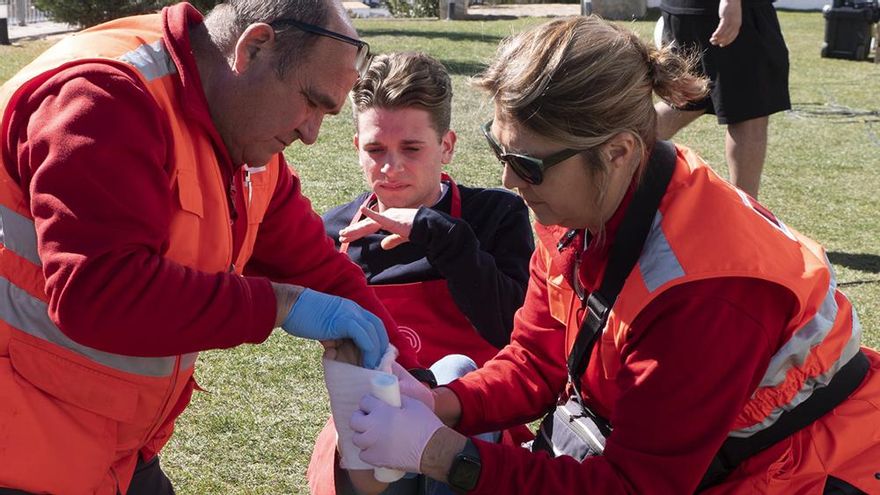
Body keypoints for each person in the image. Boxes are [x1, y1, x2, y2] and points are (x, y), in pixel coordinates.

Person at [345, 16, 880, 495]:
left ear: (618, 151)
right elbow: (537, 359)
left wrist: (443, 454)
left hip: (794, 473)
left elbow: (632, 486)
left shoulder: (706, 287)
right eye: (499, 150)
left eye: (527, 163)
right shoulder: (581, 201)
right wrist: (440, 402)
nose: (508, 179)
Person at [0, 1, 421, 493]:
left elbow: (315, 266)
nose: (311, 133)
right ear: (254, 48)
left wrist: (410, 377)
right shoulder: (104, 97)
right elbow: (99, 293)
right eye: (311, 101)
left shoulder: (241, 129)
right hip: (22, 447)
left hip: (101, 445)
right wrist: (280, 305)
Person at [307, 51, 534, 495]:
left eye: (411, 148)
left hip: (475, 421)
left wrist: (442, 235)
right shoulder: (336, 233)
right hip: (370, 424)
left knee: (456, 368)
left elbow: (511, 331)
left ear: (447, 145)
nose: (390, 168)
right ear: (356, 147)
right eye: (375, 150)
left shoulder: (493, 216)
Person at [654, 0, 791, 199]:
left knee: (688, 101)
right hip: (726, 12)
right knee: (749, 115)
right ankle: (745, 211)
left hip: (684, 9)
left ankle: (610, 149)